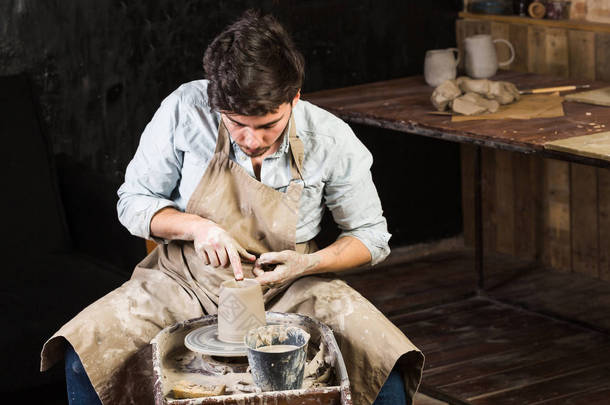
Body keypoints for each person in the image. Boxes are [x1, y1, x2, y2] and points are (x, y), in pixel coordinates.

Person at [40, 10, 423, 405]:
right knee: (82, 356)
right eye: (236, 123)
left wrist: (306, 264)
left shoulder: (329, 138)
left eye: (268, 125)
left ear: (295, 98)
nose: (251, 139)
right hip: (183, 278)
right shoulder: (184, 110)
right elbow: (133, 202)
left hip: (289, 284)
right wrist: (197, 228)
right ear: (214, 100)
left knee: (385, 363)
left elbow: (370, 236)